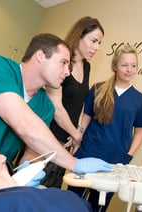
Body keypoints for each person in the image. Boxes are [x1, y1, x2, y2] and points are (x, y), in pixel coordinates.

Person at [0, 33, 112, 182]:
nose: (67, 72)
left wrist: (24, 172)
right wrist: (75, 163)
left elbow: (32, 150)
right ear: (41, 55)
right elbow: (24, 125)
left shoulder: (45, 105)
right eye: (63, 62)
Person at [68, 45, 142, 212]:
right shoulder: (98, 89)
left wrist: (129, 155)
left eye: (133, 66)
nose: (129, 70)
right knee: (72, 203)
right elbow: (86, 117)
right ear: (115, 66)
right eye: (124, 65)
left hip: (115, 160)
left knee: (98, 207)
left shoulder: (139, 99)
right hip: (88, 153)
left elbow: (139, 131)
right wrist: (77, 141)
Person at [41, 16, 105, 188]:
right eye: (93, 41)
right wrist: (76, 134)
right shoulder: (63, 63)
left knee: (51, 190)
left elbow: (81, 101)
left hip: (67, 139)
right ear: (79, 36)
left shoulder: (86, 66)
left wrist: (78, 130)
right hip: (49, 136)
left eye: (99, 43)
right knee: (35, 189)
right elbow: (56, 104)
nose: (97, 47)